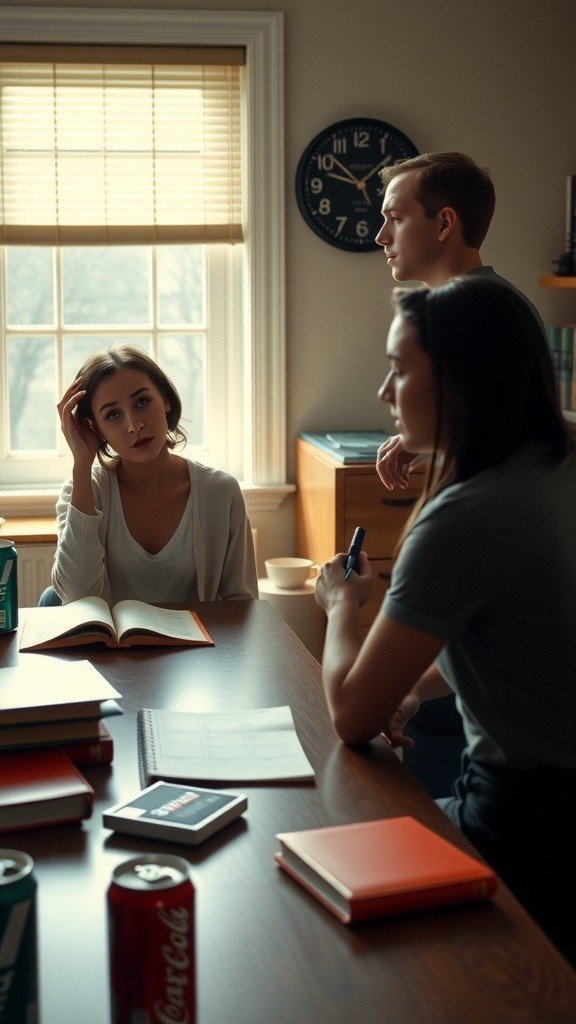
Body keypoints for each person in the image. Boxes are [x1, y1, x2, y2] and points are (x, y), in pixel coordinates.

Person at [315, 276, 576, 964]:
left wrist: (344, 604)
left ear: (458, 380)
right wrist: (416, 684)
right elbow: (529, 647)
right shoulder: (557, 464)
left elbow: (349, 714)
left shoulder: (468, 515)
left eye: (399, 370)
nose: (382, 393)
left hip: (529, 831)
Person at [374, 152, 544, 490]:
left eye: (395, 218)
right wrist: (422, 442)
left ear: (444, 224)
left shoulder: (487, 312)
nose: (381, 236)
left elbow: (511, 430)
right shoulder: (485, 303)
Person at [49, 345, 258, 605]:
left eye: (142, 402)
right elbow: (76, 597)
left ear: (166, 400)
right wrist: (81, 464)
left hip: (200, 645)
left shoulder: (220, 492)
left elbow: (242, 603)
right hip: (111, 646)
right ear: (96, 429)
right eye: (113, 415)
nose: (134, 425)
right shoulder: (81, 491)